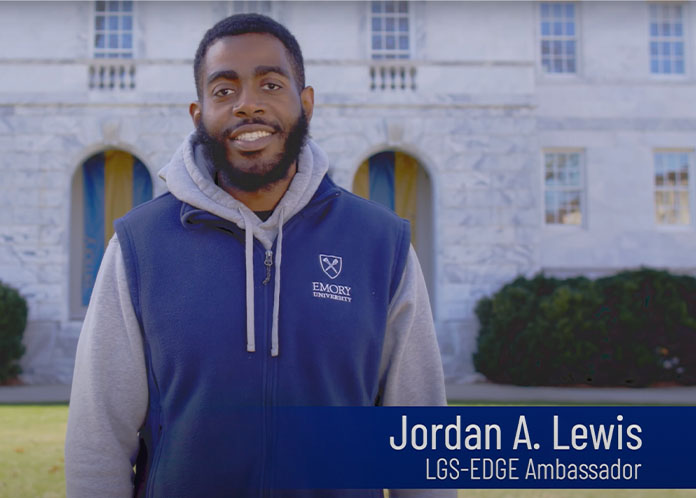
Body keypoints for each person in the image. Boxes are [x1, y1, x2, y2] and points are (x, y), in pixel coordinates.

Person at [65, 14, 450, 497]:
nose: (247, 104)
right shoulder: (139, 247)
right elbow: (97, 438)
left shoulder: (381, 244)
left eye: (270, 84)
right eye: (223, 91)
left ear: (305, 102)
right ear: (198, 113)